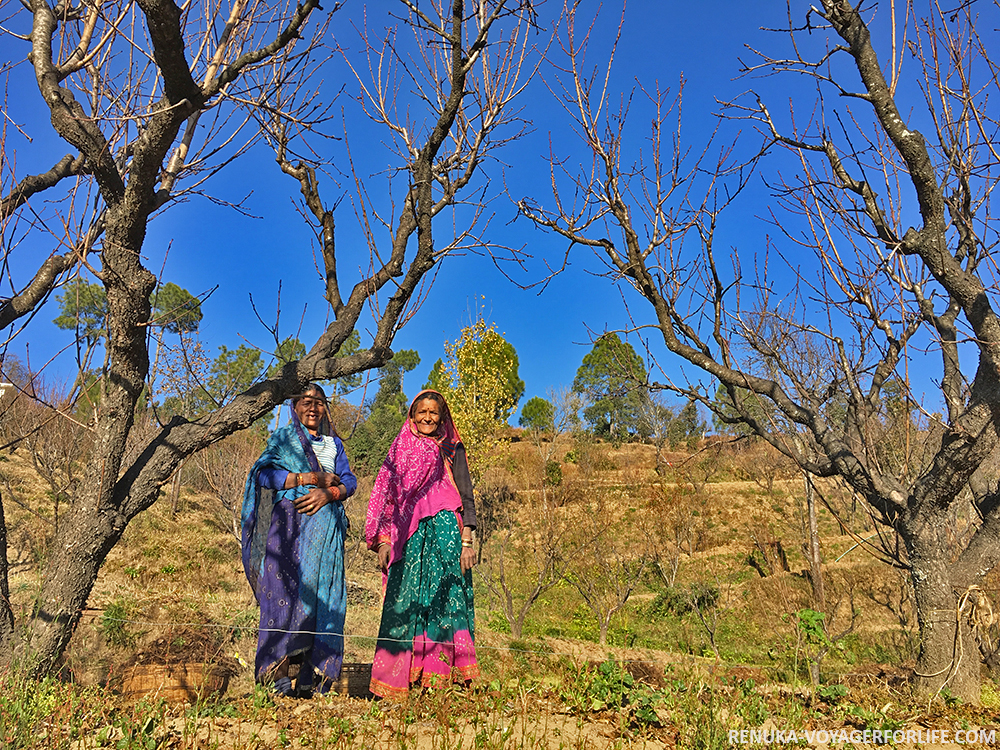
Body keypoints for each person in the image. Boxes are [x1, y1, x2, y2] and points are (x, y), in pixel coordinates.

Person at [241, 383, 357, 697]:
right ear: (294, 407)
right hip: (285, 535)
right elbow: (263, 476)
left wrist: (329, 493)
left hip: (324, 538)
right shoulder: (283, 439)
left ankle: (310, 679)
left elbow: (349, 481)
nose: (313, 408)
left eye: (319, 402)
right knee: (280, 600)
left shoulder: (334, 445)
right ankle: (276, 679)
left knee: (320, 602)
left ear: (325, 408)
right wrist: (307, 479)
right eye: (305, 402)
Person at [364, 390, 479, 698]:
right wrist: (383, 539)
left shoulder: (452, 448)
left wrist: (467, 540)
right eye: (422, 411)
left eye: (434, 412)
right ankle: (402, 679)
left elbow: (466, 496)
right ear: (412, 415)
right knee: (405, 601)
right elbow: (386, 495)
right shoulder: (399, 448)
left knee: (444, 601)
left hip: (445, 535)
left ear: (442, 417)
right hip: (409, 537)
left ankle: (439, 681)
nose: (428, 417)